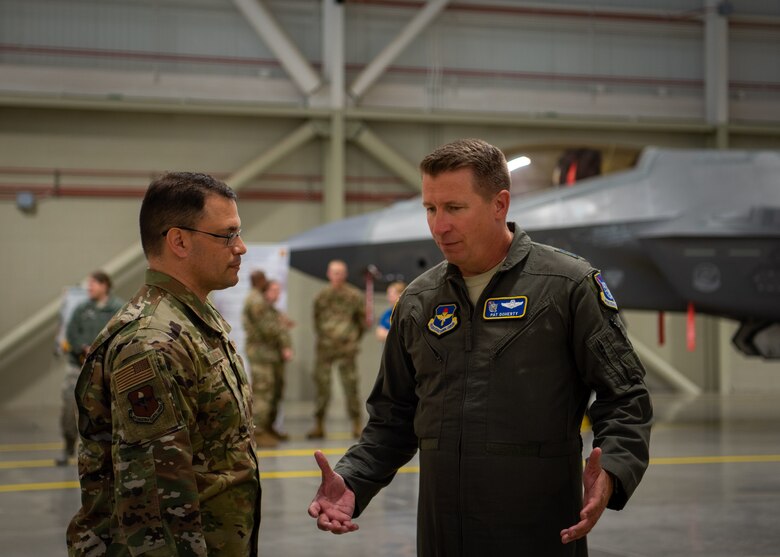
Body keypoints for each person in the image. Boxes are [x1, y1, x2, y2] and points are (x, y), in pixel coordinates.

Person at [308, 139, 653, 556]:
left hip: (539, 537)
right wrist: (354, 480)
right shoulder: (418, 303)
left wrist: (613, 470)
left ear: (499, 204)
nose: (439, 226)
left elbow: (625, 397)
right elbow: (393, 420)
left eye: (454, 208)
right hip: (443, 539)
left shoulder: (566, 287)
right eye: (430, 209)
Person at [66, 172, 261, 557]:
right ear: (179, 241)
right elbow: (155, 507)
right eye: (227, 235)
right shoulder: (152, 342)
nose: (241, 247)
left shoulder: (192, 322)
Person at [58, 270, 123, 466]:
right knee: (69, 406)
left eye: (93, 284)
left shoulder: (118, 309)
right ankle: (68, 445)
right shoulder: (81, 309)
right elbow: (71, 333)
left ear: (105, 286)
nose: (89, 288)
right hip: (77, 367)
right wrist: (82, 348)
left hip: (105, 370)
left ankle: (108, 453)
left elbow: (122, 334)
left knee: (108, 412)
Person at [307, 259, 367, 440]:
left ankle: (357, 424)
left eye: (340, 272)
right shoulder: (321, 296)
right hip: (325, 349)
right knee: (322, 387)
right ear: (328, 274)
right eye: (334, 272)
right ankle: (319, 424)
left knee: (351, 386)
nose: (337, 276)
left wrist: (352, 338)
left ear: (345, 274)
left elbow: (361, 322)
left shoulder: (354, 295)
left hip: (346, 348)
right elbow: (316, 321)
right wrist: (326, 337)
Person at [242, 271, 294, 448]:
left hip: (270, 354)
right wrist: (282, 327)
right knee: (264, 392)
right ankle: (259, 432)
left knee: (273, 392)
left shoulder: (265, 303)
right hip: (261, 354)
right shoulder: (257, 301)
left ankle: (268, 428)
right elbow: (268, 329)